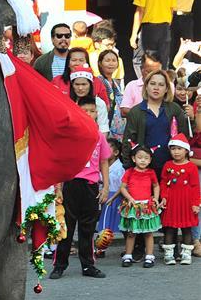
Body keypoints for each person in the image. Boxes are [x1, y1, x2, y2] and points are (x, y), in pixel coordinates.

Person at [49, 97, 109, 280]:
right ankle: (59, 265)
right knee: (66, 226)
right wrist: (57, 187)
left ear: (97, 113)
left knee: (88, 228)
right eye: (85, 111)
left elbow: (104, 161)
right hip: (71, 184)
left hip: (90, 186)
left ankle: (88, 265)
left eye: (92, 111)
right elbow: (60, 162)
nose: (89, 114)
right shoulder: (70, 136)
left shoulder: (99, 136)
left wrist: (105, 186)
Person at [121, 69, 190, 174]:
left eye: (161, 85)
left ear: (167, 88)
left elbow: (184, 136)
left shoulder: (174, 109)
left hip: (171, 167)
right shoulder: (136, 111)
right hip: (143, 168)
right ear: (146, 86)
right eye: (152, 84)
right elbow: (128, 141)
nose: (156, 88)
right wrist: (128, 168)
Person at [158, 133, 199, 266]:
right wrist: (163, 197)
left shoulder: (191, 167)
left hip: (186, 202)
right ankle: (169, 254)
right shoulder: (167, 165)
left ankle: (186, 253)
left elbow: (195, 187)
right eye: (173, 148)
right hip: (171, 201)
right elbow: (163, 183)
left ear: (186, 150)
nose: (176, 152)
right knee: (169, 228)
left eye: (179, 149)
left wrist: (196, 203)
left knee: (187, 228)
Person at [119, 146, 162, 268]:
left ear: (150, 160)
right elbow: (123, 187)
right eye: (140, 157)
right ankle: (128, 255)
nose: (143, 160)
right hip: (133, 206)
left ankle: (149, 256)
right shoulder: (130, 172)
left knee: (148, 233)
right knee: (131, 232)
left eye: (146, 158)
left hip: (146, 206)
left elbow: (156, 185)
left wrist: (155, 197)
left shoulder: (151, 172)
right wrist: (129, 198)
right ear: (133, 158)